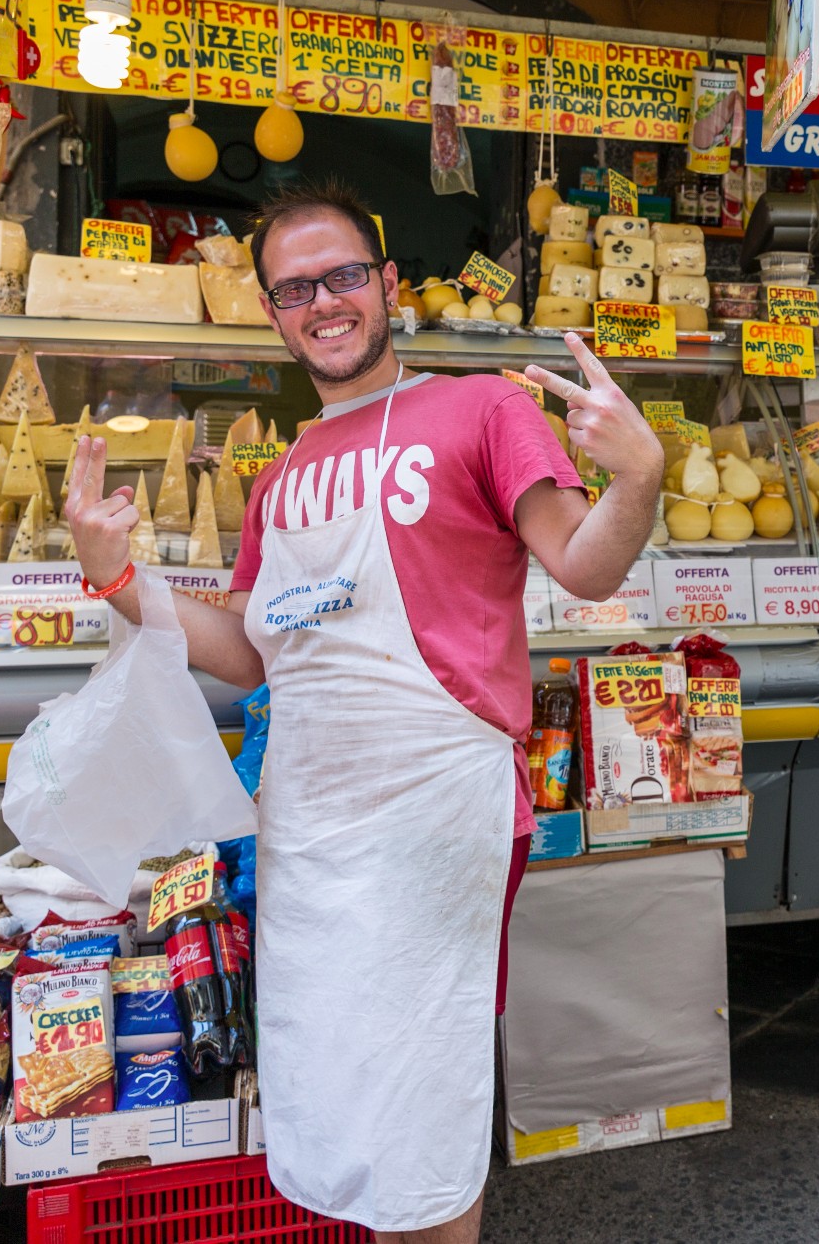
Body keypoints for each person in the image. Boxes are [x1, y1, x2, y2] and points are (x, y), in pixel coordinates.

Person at [63, 177, 661, 1243]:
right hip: (311, 818)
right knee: (339, 1079)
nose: (324, 302)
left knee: (420, 1097)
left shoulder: (480, 407)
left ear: (387, 286)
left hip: (433, 806)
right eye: (295, 288)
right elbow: (250, 653)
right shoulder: (278, 476)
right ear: (270, 310)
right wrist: (124, 582)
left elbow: (584, 565)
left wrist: (638, 479)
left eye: (343, 275)